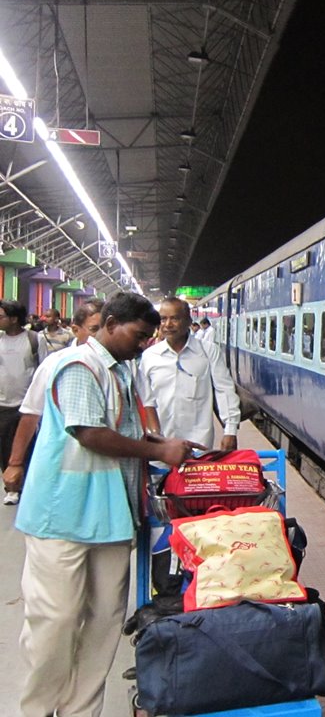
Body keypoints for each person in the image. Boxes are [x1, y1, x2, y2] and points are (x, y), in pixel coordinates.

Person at [14, 291, 199, 717]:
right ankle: (38, 711)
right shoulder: (79, 365)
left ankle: (81, 712)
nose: (144, 344)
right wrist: (158, 453)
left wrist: (166, 444)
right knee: (55, 623)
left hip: (111, 518)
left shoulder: (122, 371)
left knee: (103, 625)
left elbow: (125, 426)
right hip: (62, 515)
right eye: (138, 335)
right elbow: (90, 433)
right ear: (111, 323)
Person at [2, 299, 104, 502]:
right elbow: (31, 412)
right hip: (60, 461)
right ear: (76, 329)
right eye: (94, 329)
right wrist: (15, 463)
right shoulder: (56, 362)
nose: (100, 336)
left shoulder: (119, 364)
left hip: (102, 466)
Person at [138, 297, 240, 450]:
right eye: (163, 319)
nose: (168, 325)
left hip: (198, 443)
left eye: (175, 319)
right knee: (160, 474)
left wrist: (230, 430)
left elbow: (223, 389)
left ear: (188, 320)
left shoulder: (208, 351)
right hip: (160, 445)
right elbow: (146, 400)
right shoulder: (150, 356)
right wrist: (153, 435)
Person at [0, 299, 43, 505]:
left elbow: (43, 368)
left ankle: (25, 485)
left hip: (28, 404)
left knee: (27, 445)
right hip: (2, 404)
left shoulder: (34, 339)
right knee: (4, 446)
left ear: (14, 319)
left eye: (1, 316)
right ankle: (11, 486)